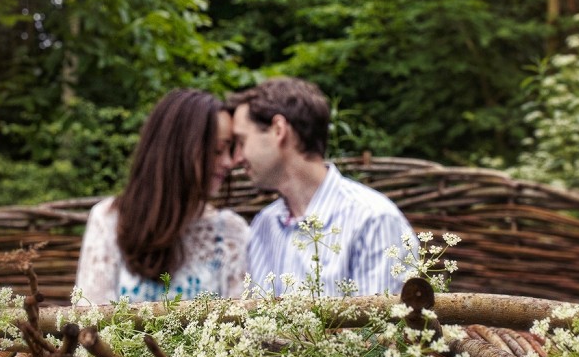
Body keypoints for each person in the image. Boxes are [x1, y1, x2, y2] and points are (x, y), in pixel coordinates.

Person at [228, 77, 417, 296]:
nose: (237, 158)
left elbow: (381, 327)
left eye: (242, 142)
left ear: (278, 130)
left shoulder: (373, 220)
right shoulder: (263, 226)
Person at [74, 89, 249, 304]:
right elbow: (90, 321)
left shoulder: (232, 232)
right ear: (178, 150)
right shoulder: (109, 220)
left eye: (230, 150)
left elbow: (241, 326)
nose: (228, 163)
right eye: (216, 151)